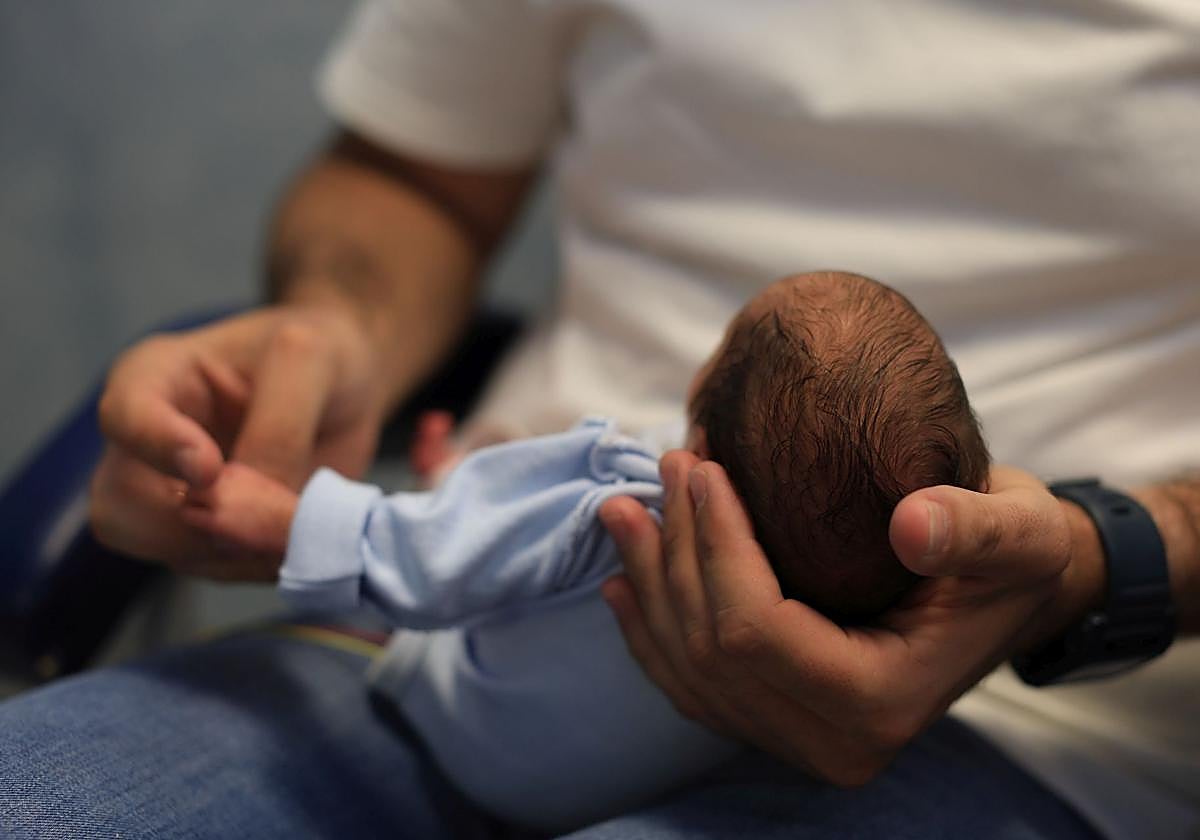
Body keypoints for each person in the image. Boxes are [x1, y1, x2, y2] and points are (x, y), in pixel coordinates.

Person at [3, 2, 1197, 838]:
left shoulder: (609, 497)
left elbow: (404, 555)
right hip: (417, 666)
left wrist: (1110, 562)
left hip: (1039, 733)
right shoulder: (606, 502)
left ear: (698, 420)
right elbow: (416, 173)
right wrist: (336, 326)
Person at [171, 272, 987, 830]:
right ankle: (459, 473)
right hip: (609, 794)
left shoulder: (614, 495)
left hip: (460, 727)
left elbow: (432, 559)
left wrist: (292, 523)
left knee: (463, 533)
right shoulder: (849, 604)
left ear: (699, 439)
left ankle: (455, 479)